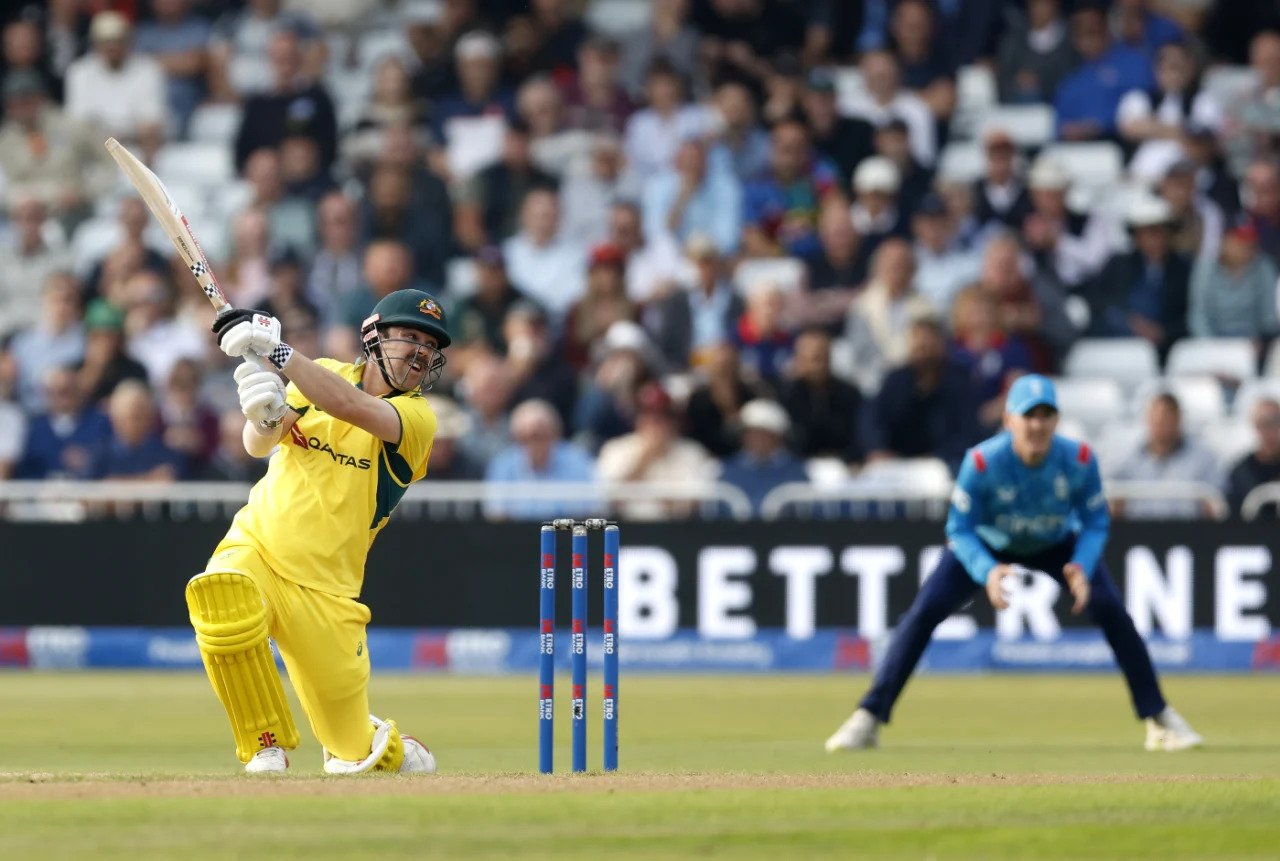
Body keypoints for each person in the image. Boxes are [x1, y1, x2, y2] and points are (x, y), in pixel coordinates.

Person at [824, 375, 1203, 753]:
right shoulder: (982, 462)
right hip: (989, 543)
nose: (1037, 425)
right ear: (1009, 421)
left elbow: (1095, 522)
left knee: (1111, 611)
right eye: (1028, 416)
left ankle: (1159, 719)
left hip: (1055, 543)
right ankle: (868, 717)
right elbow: (959, 528)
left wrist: (1082, 566)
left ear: (1056, 420)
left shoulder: (1079, 460)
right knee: (923, 613)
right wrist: (986, 570)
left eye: (1046, 415)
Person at [188, 287, 451, 775]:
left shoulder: (418, 419)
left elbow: (352, 407)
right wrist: (262, 416)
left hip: (329, 593)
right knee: (222, 596)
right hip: (261, 548)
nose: (420, 351)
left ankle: (382, 743)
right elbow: (257, 444)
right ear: (373, 336)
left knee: (356, 760)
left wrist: (278, 352)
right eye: (409, 336)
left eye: (430, 345)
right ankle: (264, 745)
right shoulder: (324, 372)